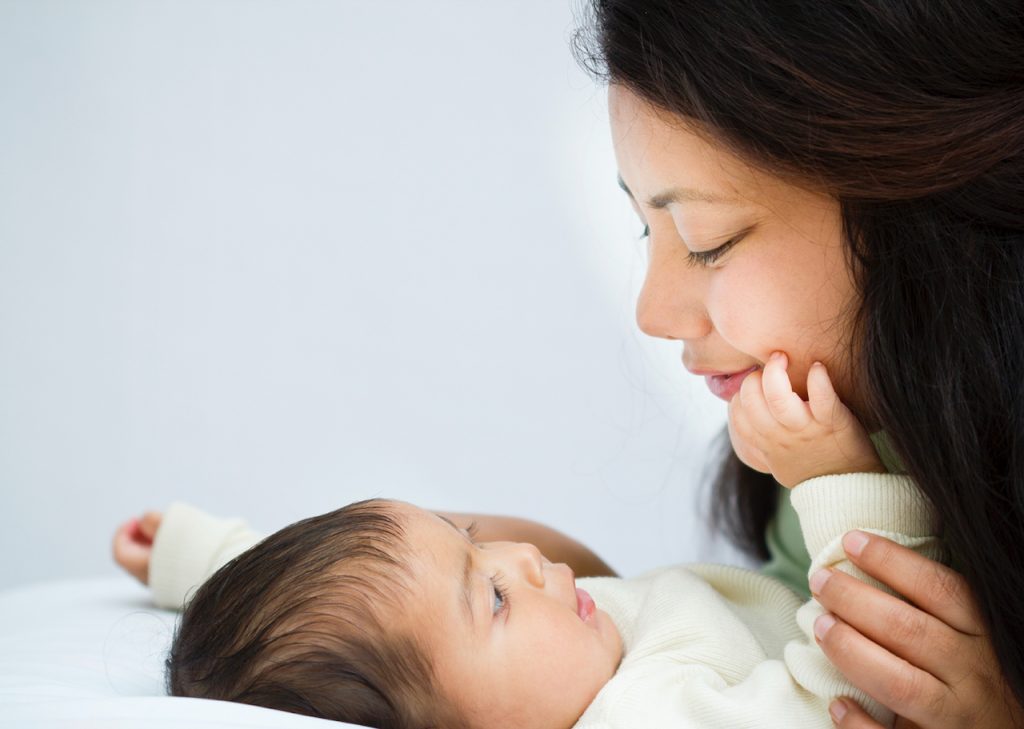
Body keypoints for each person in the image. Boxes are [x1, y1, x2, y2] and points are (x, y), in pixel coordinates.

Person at [562, 2, 1024, 727]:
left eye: (704, 239)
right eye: (643, 227)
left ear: (920, 203)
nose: (652, 313)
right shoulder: (817, 444)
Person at [116, 359, 934, 728]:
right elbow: (846, 688)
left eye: (469, 538)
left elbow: (346, 602)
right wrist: (839, 480)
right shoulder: (640, 715)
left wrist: (206, 555)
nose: (521, 559)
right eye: (494, 597)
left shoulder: (568, 656)